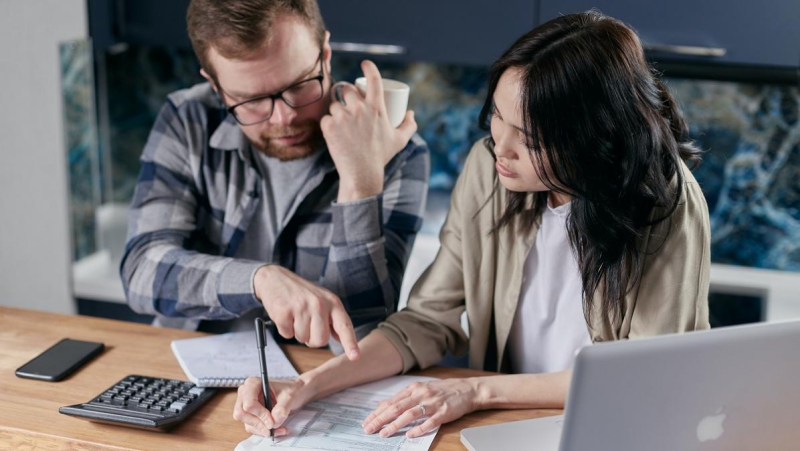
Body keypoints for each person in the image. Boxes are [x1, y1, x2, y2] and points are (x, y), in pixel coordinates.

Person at [233, 10, 711, 439]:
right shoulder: (489, 169)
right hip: (503, 429)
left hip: (611, 431)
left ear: (593, 139)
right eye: (497, 119)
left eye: (528, 139)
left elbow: (644, 376)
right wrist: (308, 385)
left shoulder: (666, 202)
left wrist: (477, 392)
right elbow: (424, 321)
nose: (499, 148)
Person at [120, 0, 430, 358]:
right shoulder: (188, 119)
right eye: (249, 100)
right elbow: (141, 272)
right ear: (216, 87)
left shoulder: (396, 151)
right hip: (190, 367)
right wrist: (259, 281)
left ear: (325, 54)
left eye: (299, 85)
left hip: (319, 384)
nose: (284, 118)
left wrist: (360, 184)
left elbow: (361, 340)